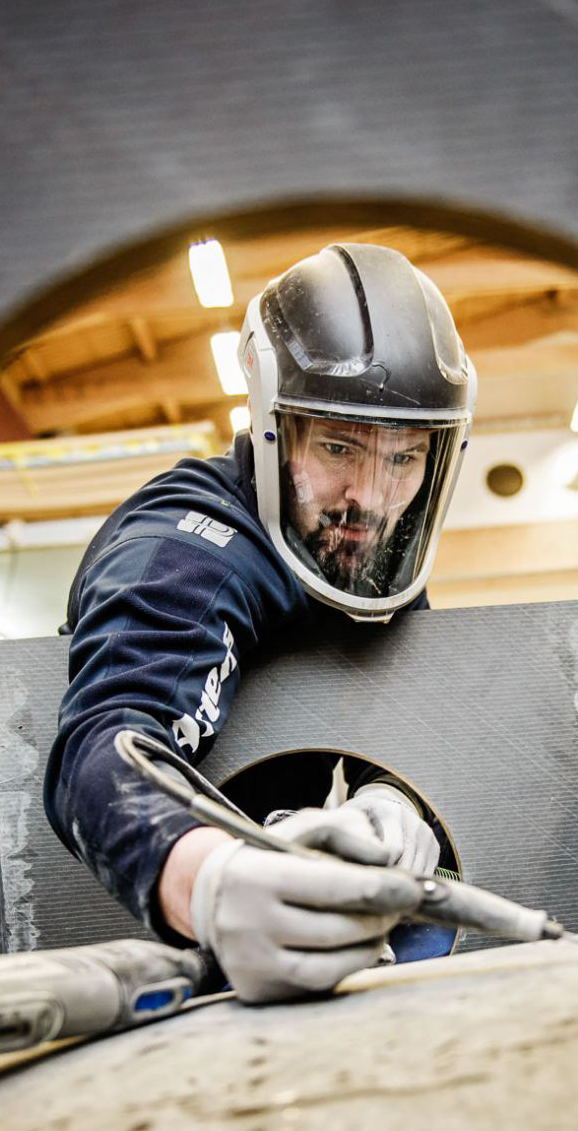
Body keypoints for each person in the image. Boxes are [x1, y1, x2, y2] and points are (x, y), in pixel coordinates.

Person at [44, 242, 477, 1002]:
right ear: (275, 431)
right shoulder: (181, 549)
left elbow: (410, 712)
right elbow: (105, 741)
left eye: (404, 458)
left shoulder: (368, 550)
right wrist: (211, 880)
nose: (370, 497)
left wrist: (398, 799)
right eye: (340, 446)